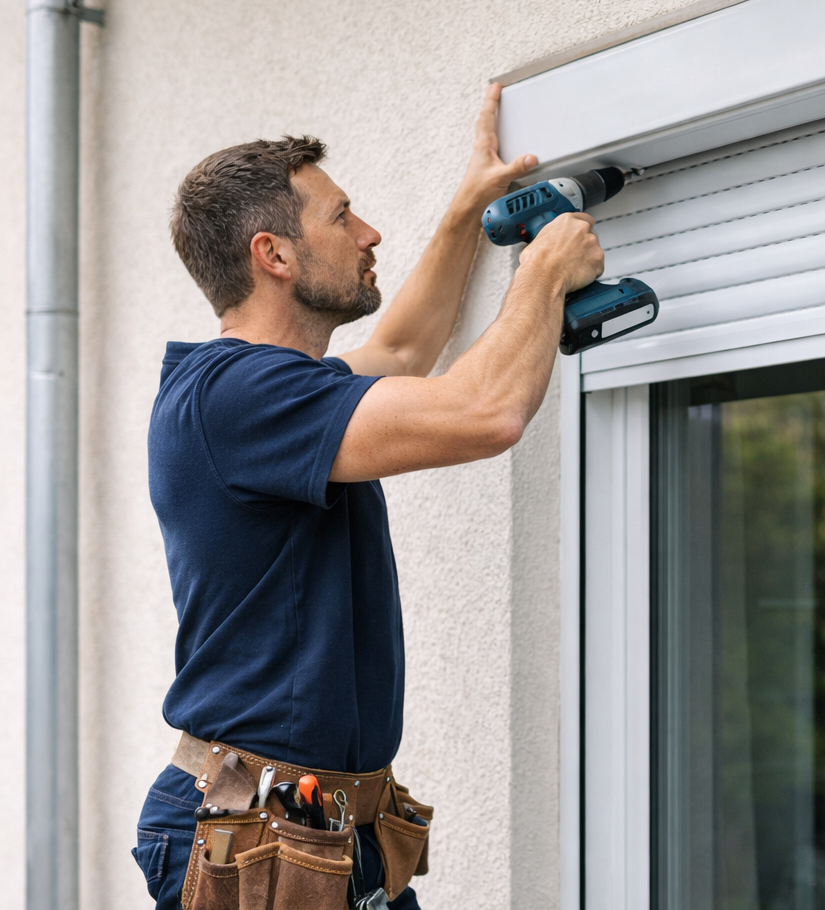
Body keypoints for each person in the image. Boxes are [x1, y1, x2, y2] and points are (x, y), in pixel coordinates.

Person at [130, 84, 604, 909]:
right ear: (273, 255)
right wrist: (545, 272)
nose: (369, 232)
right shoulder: (237, 397)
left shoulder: (273, 393)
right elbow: (484, 412)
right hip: (259, 842)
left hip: (317, 834)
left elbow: (404, 346)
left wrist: (467, 207)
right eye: (342, 216)